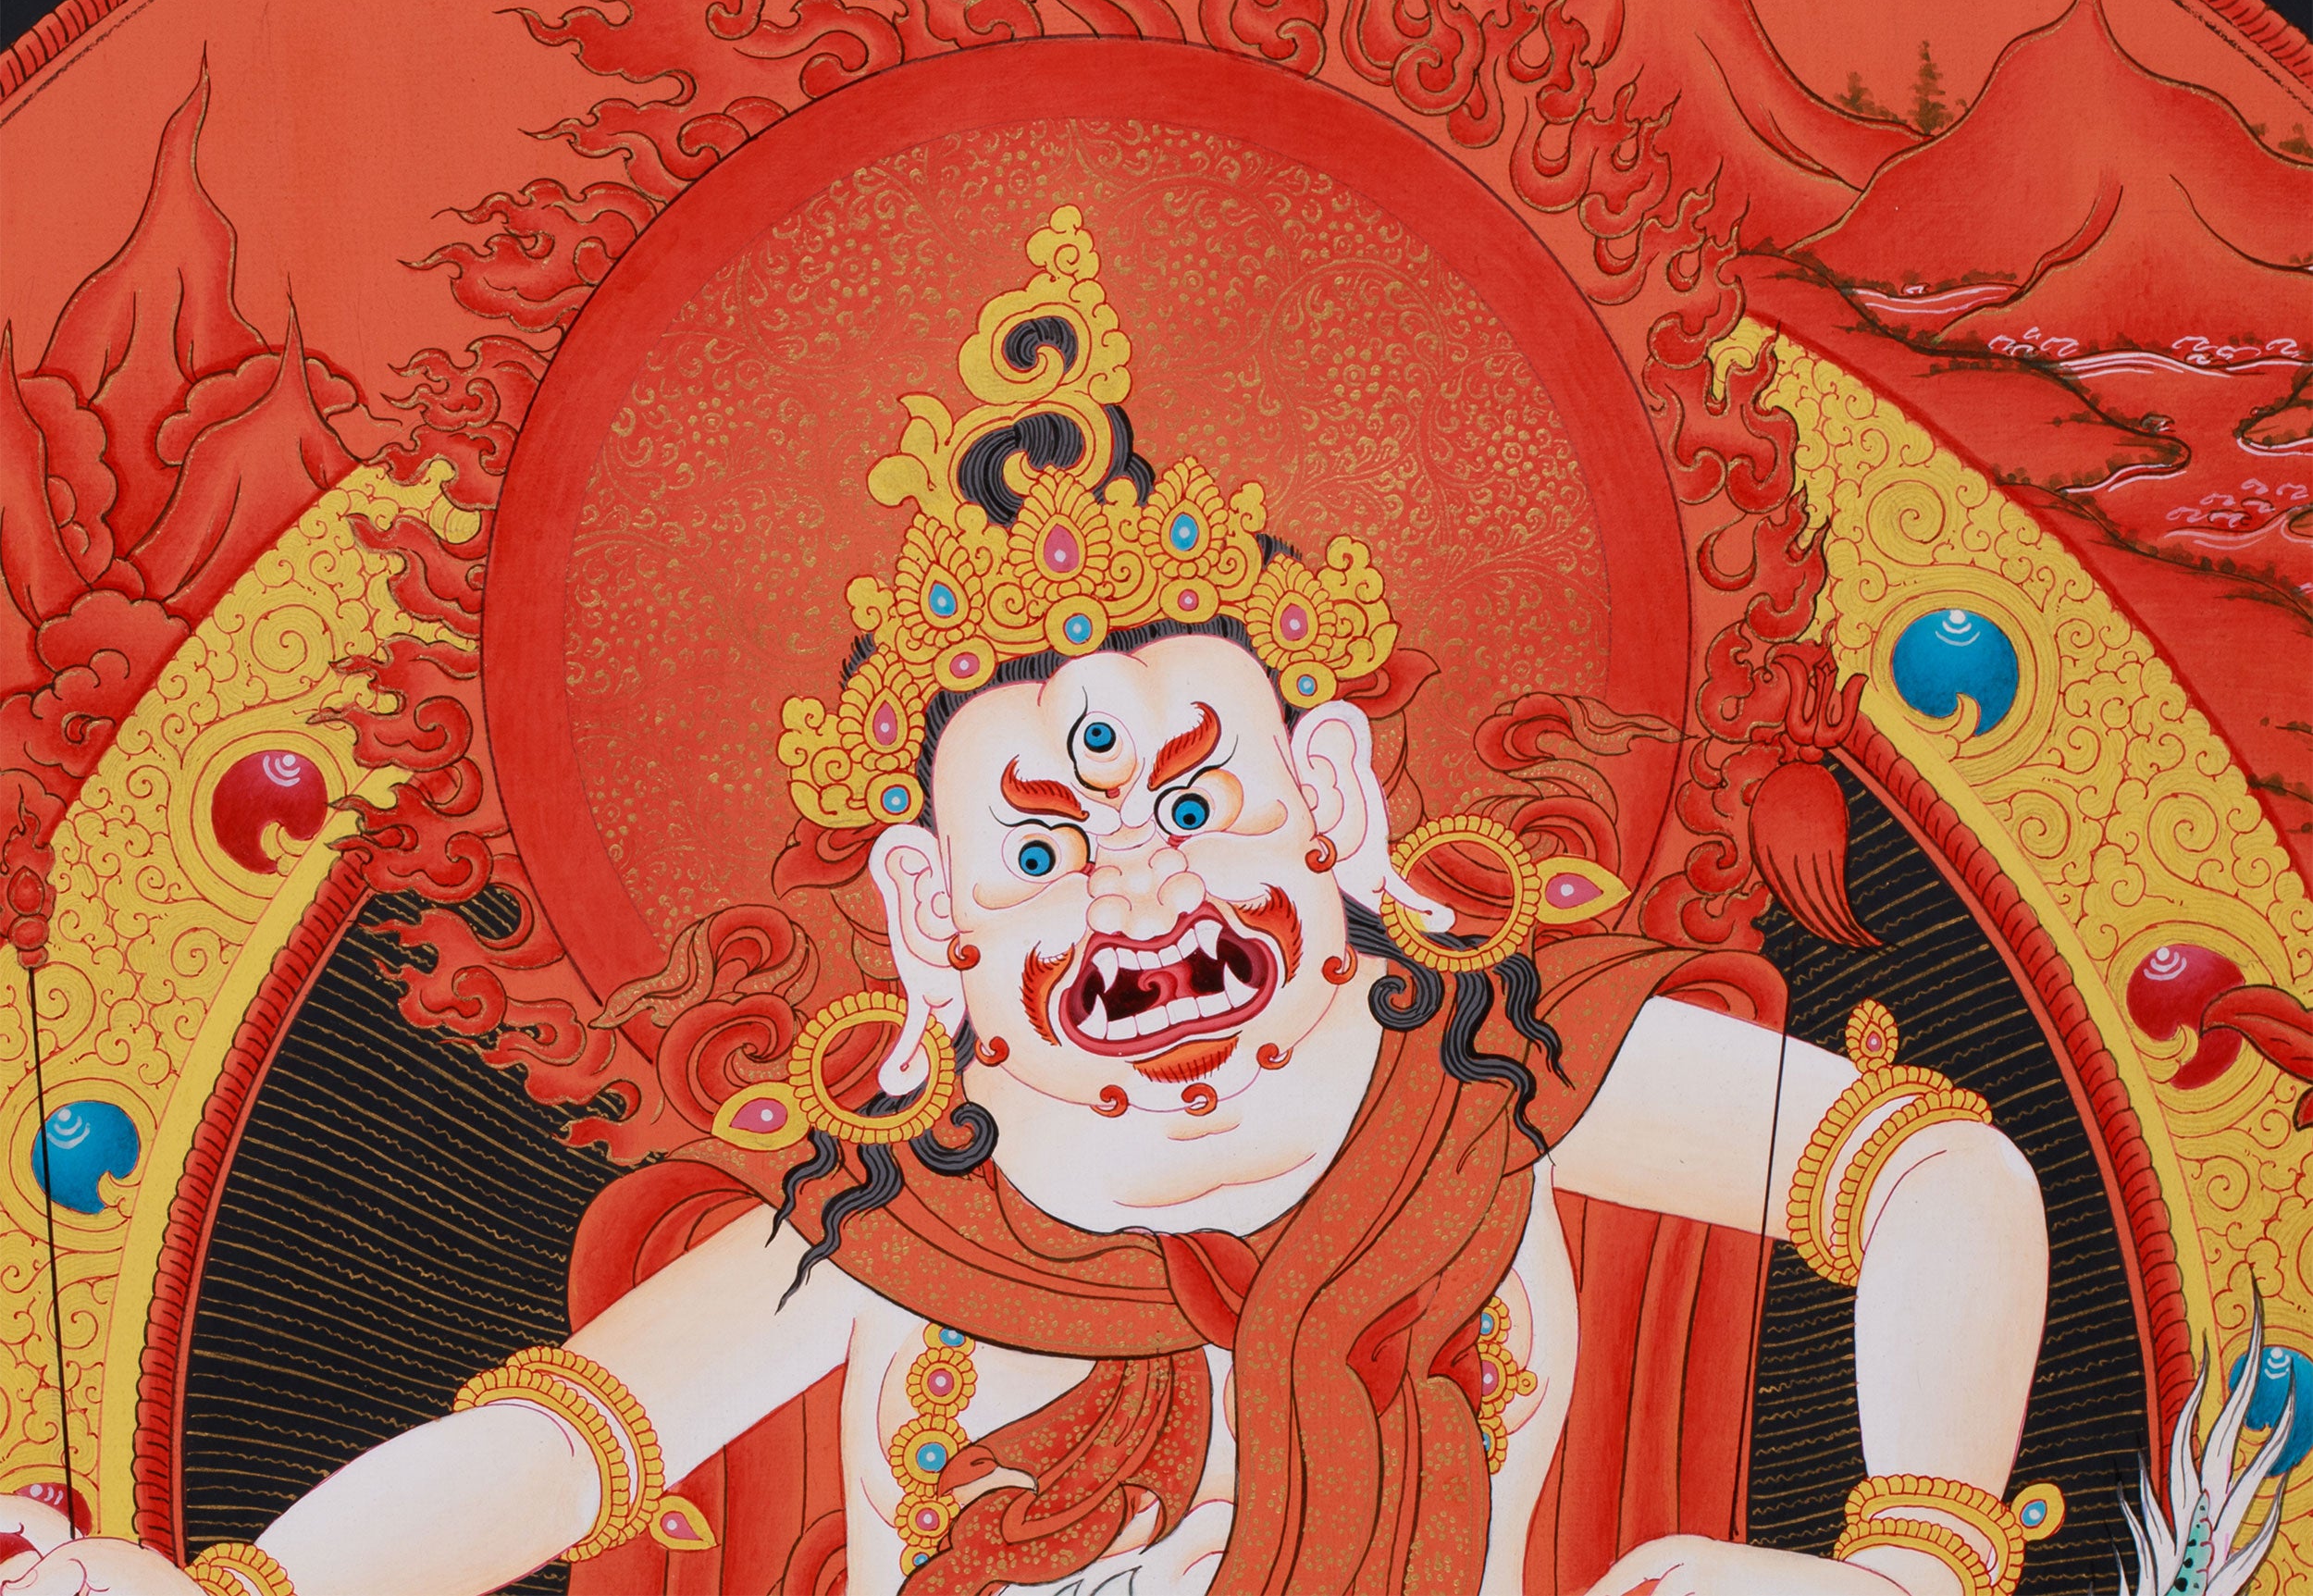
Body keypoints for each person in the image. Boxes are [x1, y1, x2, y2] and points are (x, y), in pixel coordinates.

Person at [5, 209, 2050, 1596]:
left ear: (1339, 806)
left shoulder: (1496, 1078)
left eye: (1198, 800)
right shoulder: (900, 1218)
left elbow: (1939, 1175)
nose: (1141, 879)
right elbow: (561, 1447)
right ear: (933, 921)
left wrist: (1909, 1558)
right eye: (1050, 849)